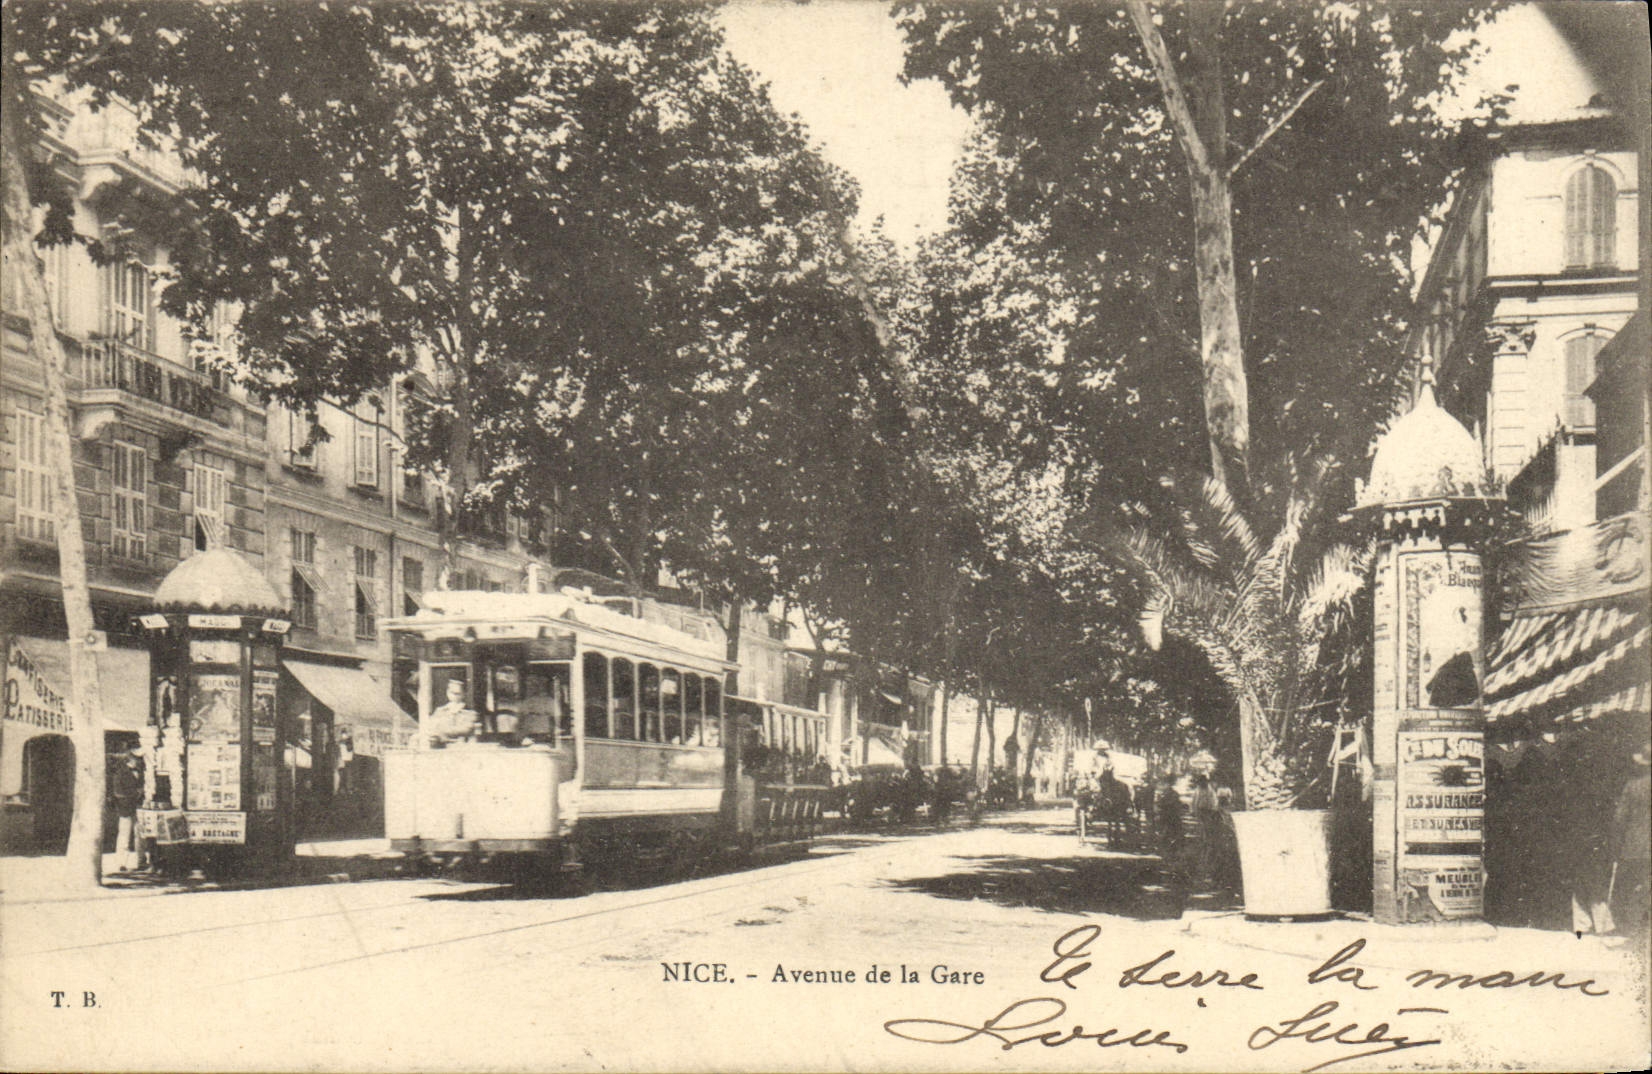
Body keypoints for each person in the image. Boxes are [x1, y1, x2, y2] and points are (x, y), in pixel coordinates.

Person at [1608, 747, 1650, 936]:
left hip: (1635, 847)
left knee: (1625, 889)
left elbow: (1619, 819)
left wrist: (1615, 845)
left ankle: (1629, 931)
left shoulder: (1633, 786)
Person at [110, 747, 145, 872]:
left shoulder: (141, 772)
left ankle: (141, 861)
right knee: (124, 836)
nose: (139, 761)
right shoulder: (120, 773)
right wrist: (135, 793)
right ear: (129, 759)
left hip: (138, 807)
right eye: (136, 758)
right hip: (125, 808)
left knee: (140, 835)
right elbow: (118, 792)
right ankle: (121, 862)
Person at [427, 679, 479, 745]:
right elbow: (431, 727)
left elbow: (465, 730)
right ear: (447, 693)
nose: (454, 696)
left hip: (461, 747)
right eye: (451, 692)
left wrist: (440, 731)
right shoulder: (439, 711)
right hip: (441, 746)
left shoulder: (470, 713)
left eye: (458, 693)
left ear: (464, 694)